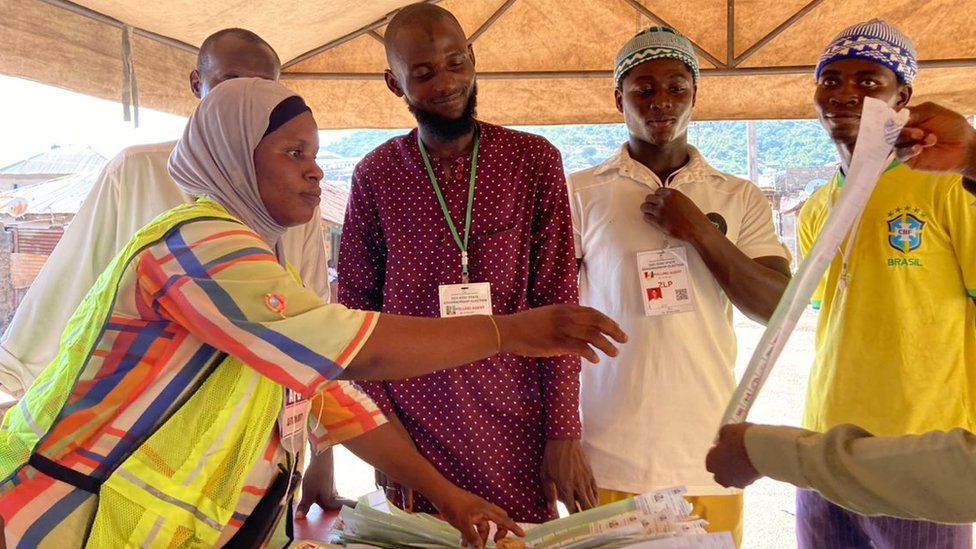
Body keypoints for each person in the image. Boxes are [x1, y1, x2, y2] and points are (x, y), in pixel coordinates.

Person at [0, 78, 627, 549]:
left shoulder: (251, 255)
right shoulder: (195, 244)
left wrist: (453, 500)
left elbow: (332, 398)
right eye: (293, 153)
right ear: (232, 155)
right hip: (75, 517)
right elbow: (350, 348)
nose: (314, 170)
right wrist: (508, 332)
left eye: (315, 153)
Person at [0, 27, 363, 516]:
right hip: (142, 447)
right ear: (198, 84)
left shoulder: (293, 195)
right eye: (232, 83)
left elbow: (314, 330)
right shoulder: (137, 172)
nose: (250, 103)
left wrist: (320, 459)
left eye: (267, 90)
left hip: (251, 450)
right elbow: (67, 288)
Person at [716, 20, 976, 549]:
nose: (845, 94)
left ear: (903, 97)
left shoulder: (950, 186)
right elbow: (810, 310)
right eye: (830, 80)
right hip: (823, 444)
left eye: (868, 81)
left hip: (916, 452)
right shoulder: (819, 206)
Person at [338, 2, 594, 523]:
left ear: (473, 58)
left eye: (456, 63)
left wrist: (563, 431)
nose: (447, 83)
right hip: (414, 426)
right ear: (395, 83)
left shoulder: (534, 160)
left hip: (517, 424)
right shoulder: (376, 174)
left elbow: (557, 299)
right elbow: (355, 313)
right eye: (424, 73)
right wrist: (383, 431)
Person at [568, 26, 790, 546]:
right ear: (617, 96)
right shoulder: (579, 193)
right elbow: (552, 322)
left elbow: (777, 309)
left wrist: (698, 231)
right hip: (606, 451)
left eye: (676, 87)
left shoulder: (739, 197)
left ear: (696, 95)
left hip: (707, 453)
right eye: (643, 88)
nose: (660, 102)